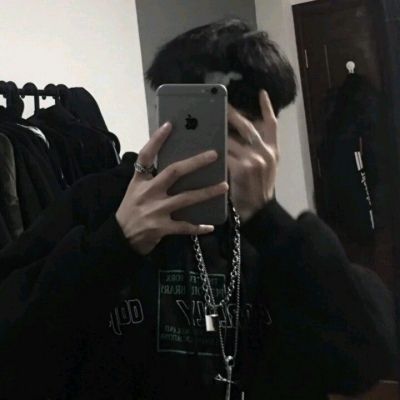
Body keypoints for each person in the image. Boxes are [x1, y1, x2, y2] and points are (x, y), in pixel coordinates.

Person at [0, 18, 396, 400]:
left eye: (237, 123)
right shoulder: (98, 203)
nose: (214, 139)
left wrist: (268, 221)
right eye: (194, 115)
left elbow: (363, 362)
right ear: (164, 109)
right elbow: (14, 348)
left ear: (268, 126)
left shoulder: (283, 244)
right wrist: (115, 242)